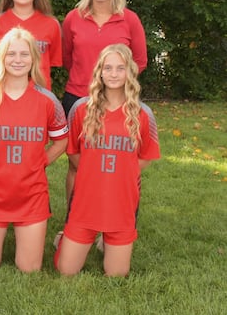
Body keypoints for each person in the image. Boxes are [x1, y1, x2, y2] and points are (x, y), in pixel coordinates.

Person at [0, 28, 68, 272]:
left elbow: (61, 141)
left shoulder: (48, 100)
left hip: (31, 194)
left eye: (24, 54)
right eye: (11, 54)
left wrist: (40, 162)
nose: (18, 60)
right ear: (1, 58)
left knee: (29, 268)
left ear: (34, 58)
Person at [55, 44, 160, 277]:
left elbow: (145, 156)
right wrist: (93, 171)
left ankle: (109, 238)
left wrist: (122, 172)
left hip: (121, 201)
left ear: (130, 72)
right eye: (108, 68)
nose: (113, 74)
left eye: (120, 68)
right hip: (86, 200)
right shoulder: (81, 109)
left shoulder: (143, 113)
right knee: (66, 270)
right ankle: (68, 238)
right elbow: (73, 151)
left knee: (116, 274)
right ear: (99, 72)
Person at [61, 0, 148, 208]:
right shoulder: (73, 18)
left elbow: (139, 61)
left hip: (117, 101)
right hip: (78, 98)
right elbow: (67, 58)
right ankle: (74, 217)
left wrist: (115, 85)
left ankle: (112, 216)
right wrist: (90, 84)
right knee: (77, 164)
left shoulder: (129, 20)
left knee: (116, 162)